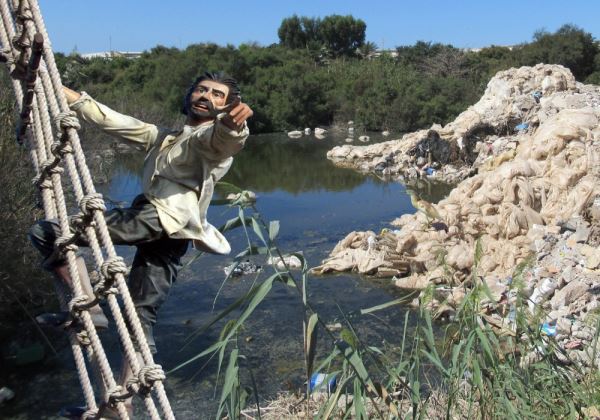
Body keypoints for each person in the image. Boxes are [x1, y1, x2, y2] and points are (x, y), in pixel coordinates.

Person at [29, 71, 253, 413]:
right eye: (201, 90)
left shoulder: (210, 140)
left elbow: (226, 140)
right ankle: (121, 405)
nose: (207, 96)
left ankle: (89, 306)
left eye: (218, 95)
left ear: (226, 104)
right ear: (190, 95)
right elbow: (113, 120)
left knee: (50, 232)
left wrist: (235, 124)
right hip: (174, 233)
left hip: (159, 219)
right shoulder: (163, 137)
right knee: (139, 316)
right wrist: (60, 90)